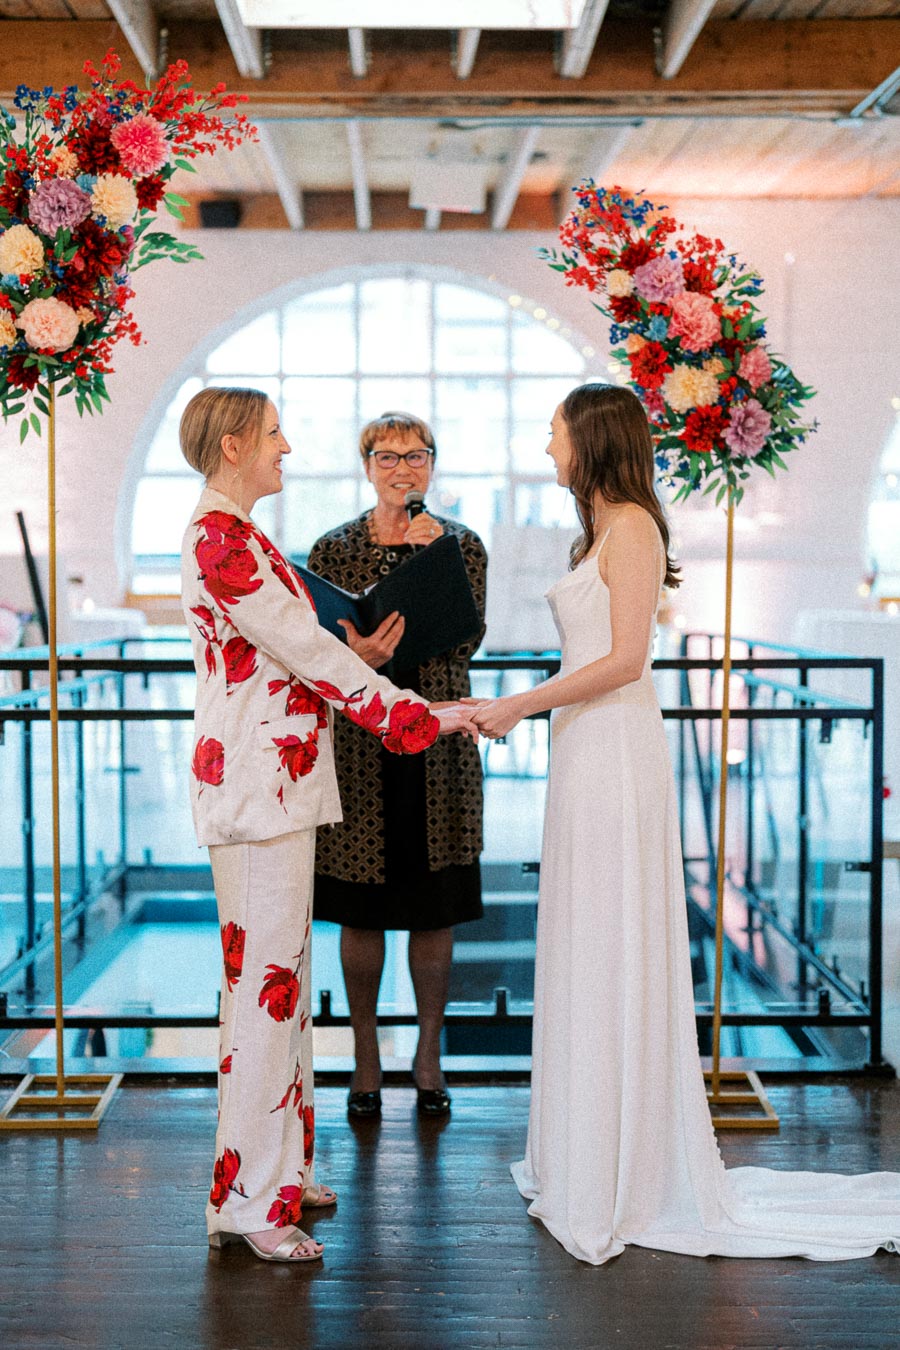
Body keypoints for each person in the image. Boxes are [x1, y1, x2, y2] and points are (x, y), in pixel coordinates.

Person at [469, 382, 900, 1265]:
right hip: (584, 747)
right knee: (587, 935)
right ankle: (587, 1150)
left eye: (554, 433)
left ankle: (625, 1167)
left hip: (613, 746)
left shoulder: (631, 526)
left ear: (591, 441)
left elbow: (626, 661)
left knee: (613, 932)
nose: (545, 445)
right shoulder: (597, 529)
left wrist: (518, 705)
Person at [179, 388, 476, 1264]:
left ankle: (282, 1168)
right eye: (273, 434)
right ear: (233, 444)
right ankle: (250, 1204)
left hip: (278, 784)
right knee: (264, 995)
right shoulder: (221, 538)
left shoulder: (239, 531)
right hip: (256, 788)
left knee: (279, 988)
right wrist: (425, 716)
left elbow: (303, 648)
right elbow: (310, 654)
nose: (288, 447)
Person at [307, 411, 486, 1118]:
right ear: (367, 465)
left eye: (417, 455)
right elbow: (316, 650)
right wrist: (358, 660)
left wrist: (430, 566)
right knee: (363, 910)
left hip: (437, 737)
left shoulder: (462, 546)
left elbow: (469, 637)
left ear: (433, 465)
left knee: (433, 907)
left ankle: (430, 1054)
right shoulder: (333, 548)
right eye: (387, 456)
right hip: (358, 744)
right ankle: (365, 1055)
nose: (402, 468)